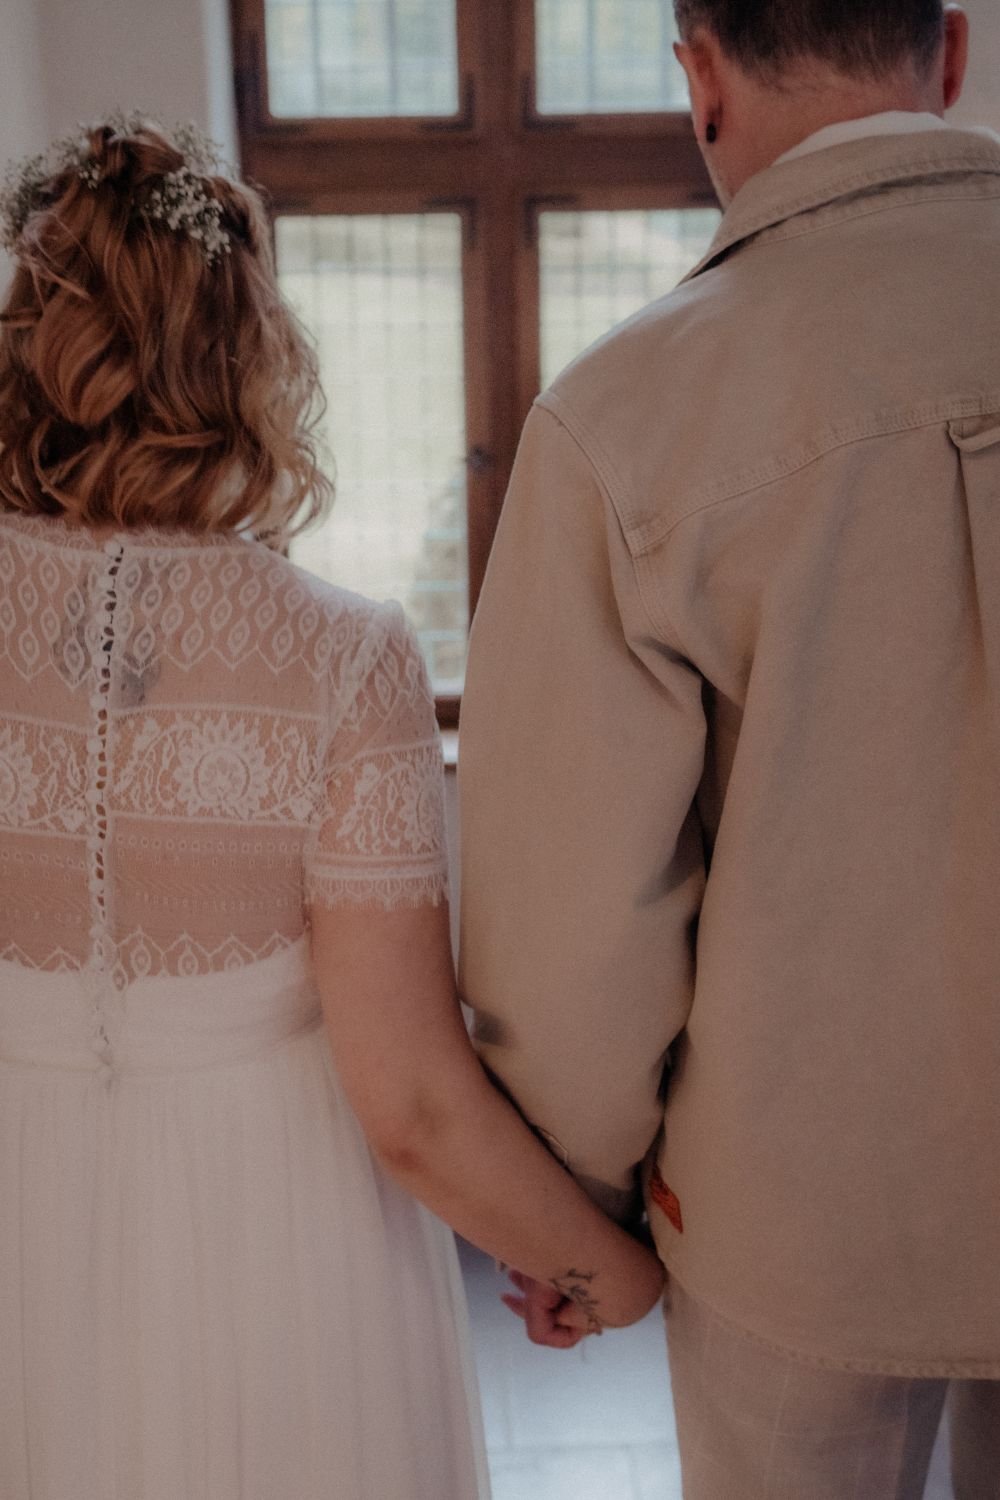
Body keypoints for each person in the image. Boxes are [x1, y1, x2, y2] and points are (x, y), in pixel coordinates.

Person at [0, 113, 666, 1500]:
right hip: (268, 1249)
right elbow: (413, 1100)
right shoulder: (340, 660)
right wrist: (604, 1270)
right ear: (247, 354)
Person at [458, 2, 1000, 1495]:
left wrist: (571, 1218)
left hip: (803, 1218)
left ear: (697, 78)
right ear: (948, 53)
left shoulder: (628, 414)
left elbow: (577, 921)